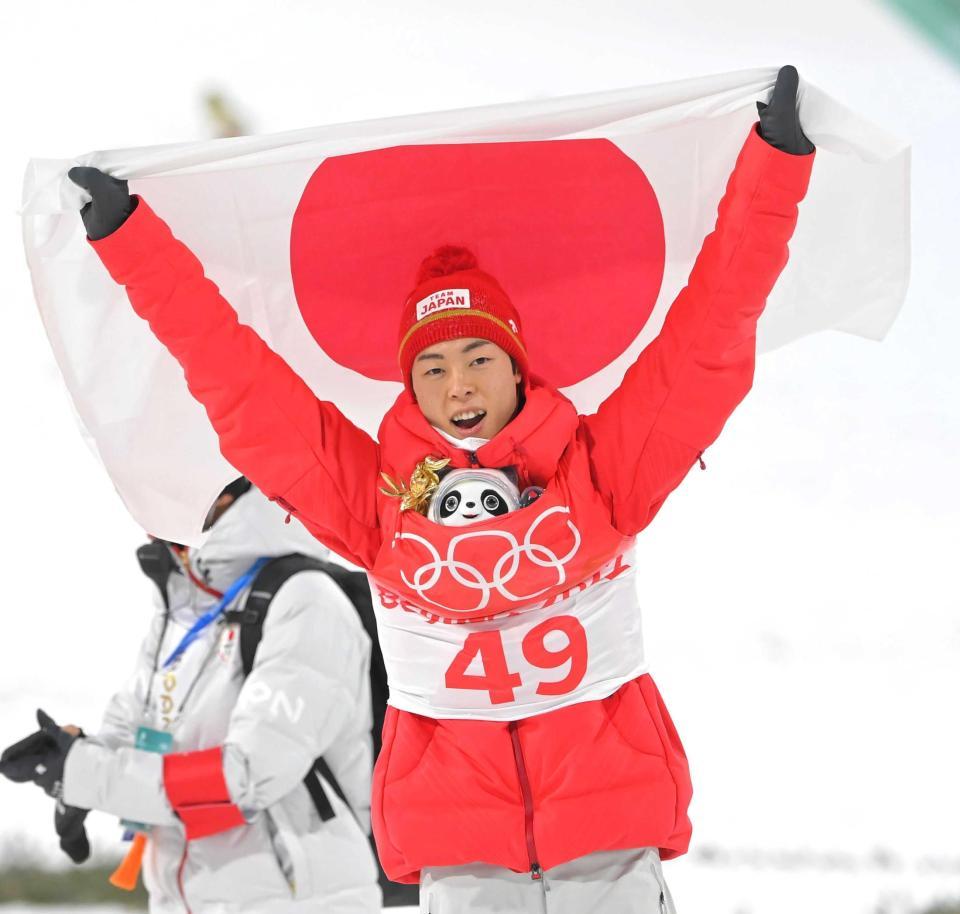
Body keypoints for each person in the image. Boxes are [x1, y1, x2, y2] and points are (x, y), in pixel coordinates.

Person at [60, 66, 815, 912]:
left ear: (516, 363)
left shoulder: (601, 476)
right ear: (409, 386)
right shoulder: (374, 508)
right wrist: (130, 239)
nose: (458, 383)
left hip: (611, 858)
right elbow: (238, 380)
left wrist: (774, 167)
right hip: (462, 868)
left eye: (479, 357)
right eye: (432, 365)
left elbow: (709, 333)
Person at [1, 480, 383, 914]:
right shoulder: (182, 606)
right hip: (182, 897)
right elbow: (135, 725)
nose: (148, 507)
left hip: (299, 901)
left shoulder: (306, 599)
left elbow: (246, 779)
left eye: (167, 486)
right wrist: (74, 760)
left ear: (222, 494)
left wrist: (90, 774)